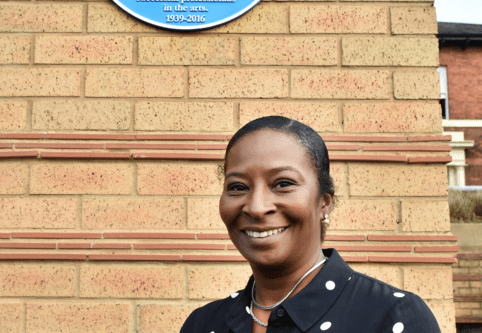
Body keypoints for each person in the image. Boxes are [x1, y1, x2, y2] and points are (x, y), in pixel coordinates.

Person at [180, 116, 441, 333]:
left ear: (324, 202)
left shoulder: (393, 316)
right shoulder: (203, 324)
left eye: (283, 183)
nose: (257, 207)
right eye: (238, 187)